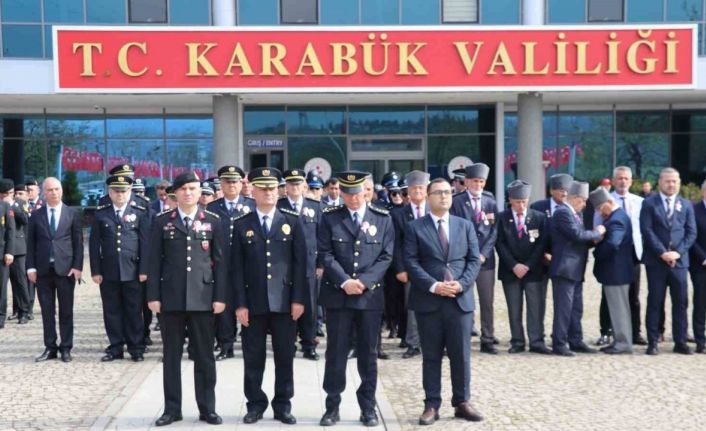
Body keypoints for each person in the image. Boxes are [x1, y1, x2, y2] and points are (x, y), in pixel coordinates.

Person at [147, 172, 226, 426]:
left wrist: (220, 297)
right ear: (175, 193)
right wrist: (153, 296)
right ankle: (172, 409)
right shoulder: (161, 222)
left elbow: (221, 264)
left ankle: (207, 408)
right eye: (183, 189)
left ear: (200, 192)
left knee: (204, 356)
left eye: (193, 188)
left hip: (203, 299)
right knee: (171, 356)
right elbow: (154, 261)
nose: (188, 193)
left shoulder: (213, 220)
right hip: (170, 299)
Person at [317, 170, 394, 427]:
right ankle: (332, 406)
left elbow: (386, 255)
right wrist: (345, 281)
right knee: (336, 353)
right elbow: (325, 253)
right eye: (347, 194)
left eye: (357, 193)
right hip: (338, 296)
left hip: (369, 297)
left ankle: (368, 408)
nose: (352, 199)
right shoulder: (330, 218)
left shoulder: (382, 218)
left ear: (366, 191)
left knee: (368, 354)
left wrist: (364, 281)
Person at [404, 177, 483, 425]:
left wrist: (461, 284)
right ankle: (431, 404)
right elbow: (411, 261)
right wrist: (435, 286)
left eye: (448, 192)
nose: (444, 197)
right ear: (428, 197)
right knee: (431, 356)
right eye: (438, 193)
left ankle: (462, 402)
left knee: (461, 355)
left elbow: (473, 260)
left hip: (460, 301)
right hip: (429, 301)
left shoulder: (464, 225)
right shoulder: (415, 227)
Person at [232, 167, 306, 425]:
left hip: (285, 302)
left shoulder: (292, 222)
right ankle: (255, 404)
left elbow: (301, 265)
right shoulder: (242, 224)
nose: (268, 193)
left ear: (280, 190)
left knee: (285, 356)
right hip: (253, 303)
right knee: (253, 357)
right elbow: (236, 269)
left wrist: (298, 300)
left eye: (272, 188)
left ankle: (283, 404)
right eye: (262, 188)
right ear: (252, 191)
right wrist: (239, 304)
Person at [89, 175, 150, 362]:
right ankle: (115, 347)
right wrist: (96, 271)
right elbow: (94, 244)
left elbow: (145, 243)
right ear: (110, 192)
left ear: (130, 191)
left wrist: (144, 269)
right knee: (112, 311)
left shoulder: (139, 212)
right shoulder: (102, 213)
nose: (120, 194)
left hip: (132, 270)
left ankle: (136, 347)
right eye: (116, 191)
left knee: (134, 311)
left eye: (124, 190)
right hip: (109, 271)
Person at [640, 167, 696, 355]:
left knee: (680, 302)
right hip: (656, 261)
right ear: (660, 182)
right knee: (655, 301)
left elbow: (691, 232)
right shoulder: (649, 203)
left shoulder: (686, 205)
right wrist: (663, 253)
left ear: (679, 183)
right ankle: (653, 341)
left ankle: (680, 341)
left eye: (675, 181)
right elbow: (647, 231)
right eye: (667, 181)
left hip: (679, 263)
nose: (671, 184)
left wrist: (677, 253)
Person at [27, 177, 82, 361]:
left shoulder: (72, 213)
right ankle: (50, 347)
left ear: (62, 191)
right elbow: (31, 243)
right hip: (43, 270)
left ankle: (66, 347)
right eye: (49, 190)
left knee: (66, 310)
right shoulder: (36, 215)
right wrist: (30, 268)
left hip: (65, 270)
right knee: (47, 311)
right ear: (44, 192)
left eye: (56, 189)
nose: (53, 193)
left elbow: (78, 243)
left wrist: (77, 267)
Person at [495, 180, 551, 354]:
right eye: (518, 201)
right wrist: (514, 265)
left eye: (524, 201)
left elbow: (541, 244)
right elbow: (499, 244)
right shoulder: (502, 218)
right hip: (510, 270)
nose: (521, 205)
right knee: (514, 307)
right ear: (510, 200)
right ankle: (517, 340)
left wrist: (527, 265)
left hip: (533, 270)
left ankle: (536, 340)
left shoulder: (538, 217)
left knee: (536, 306)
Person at [549, 181, 605, 357]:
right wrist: (597, 232)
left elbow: (577, 240)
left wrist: (591, 241)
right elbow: (576, 235)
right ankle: (559, 343)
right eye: (583, 200)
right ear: (573, 198)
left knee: (576, 308)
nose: (585, 204)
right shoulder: (563, 213)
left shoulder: (575, 214)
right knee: (564, 309)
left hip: (575, 269)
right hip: (565, 269)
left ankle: (576, 340)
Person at [206, 165, 255, 361]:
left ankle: (250, 344)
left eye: (235, 181)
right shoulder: (212, 208)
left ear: (241, 183)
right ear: (222, 185)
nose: (231, 185)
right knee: (224, 307)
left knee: (248, 304)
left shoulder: (251, 205)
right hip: (222, 264)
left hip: (248, 265)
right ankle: (226, 345)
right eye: (227, 182)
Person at [593, 166, 646, 346]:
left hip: (633, 253)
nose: (623, 181)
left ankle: (634, 331)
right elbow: (598, 228)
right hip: (612, 256)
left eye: (626, 178)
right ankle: (606, 331)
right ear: (613, 181)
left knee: (633, 295)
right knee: (609, 295)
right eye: (619, 178)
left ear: (631, 181)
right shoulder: (604, 201)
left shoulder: (639, 202)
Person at [450, 163, 498, 354]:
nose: (478, 185)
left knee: (487, 301)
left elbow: (494, 231)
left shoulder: (490, 202)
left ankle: (487, 338)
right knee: (463, 299)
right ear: (467, 182)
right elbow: (455, 230)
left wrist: (483, 254)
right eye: (474, 181)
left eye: (481, 181)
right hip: (464, 260)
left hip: (485, 261)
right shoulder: (457, 202)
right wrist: (471, 254)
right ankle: (463, 336)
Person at [276, 168, 323, 360]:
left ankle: (309, 343)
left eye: (298, 183)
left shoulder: (316, 206)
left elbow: (322, 237)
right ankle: (289, 343)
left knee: (310, 306)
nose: (295, 187)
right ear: (285, 186)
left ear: (304, 185)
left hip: (309, 265)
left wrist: (320, 264)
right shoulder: (278, 206)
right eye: (291, 183)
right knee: (287, 306)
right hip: (284, 265)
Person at [590, 187, 635, 354]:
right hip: (615, 272)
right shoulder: (617, 217)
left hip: (616, 272)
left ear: (609, 202)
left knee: (619, 308)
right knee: (616, 307)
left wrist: (596, 251)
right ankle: (619, 340)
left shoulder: (616, 220)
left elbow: (612, 243)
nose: (600, 213)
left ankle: (623, 343)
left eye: (601, 209)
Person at [391, 170, 430, 359]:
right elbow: (396, 244)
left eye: (421, 188)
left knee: (436, 306)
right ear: (408, 191)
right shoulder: (399, 214)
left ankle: (435, 342)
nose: (417, 191)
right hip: (410, 267)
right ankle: (413, 343)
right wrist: (400, 268)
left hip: (434, 266)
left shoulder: (435, 210)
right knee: (412, 306)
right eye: (414, 188)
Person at [2, 180, 30, 324]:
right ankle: (11, 310)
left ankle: (24, 311)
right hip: (3, 248)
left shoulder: (19, 203)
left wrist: (12, 205)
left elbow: (25, 220)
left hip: (18, 248)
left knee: (19, 281)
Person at [690, 180, 706, 354]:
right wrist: (703, 258)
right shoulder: (694, 210)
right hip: (700, 265)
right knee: (701, 303)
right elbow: (691, 236)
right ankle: (700, 340)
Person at [0, 180, 17, 329]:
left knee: (1, 287)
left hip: (2, 253)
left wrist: (10, 251)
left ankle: (0, 317)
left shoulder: (6, 207)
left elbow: (11, 231)